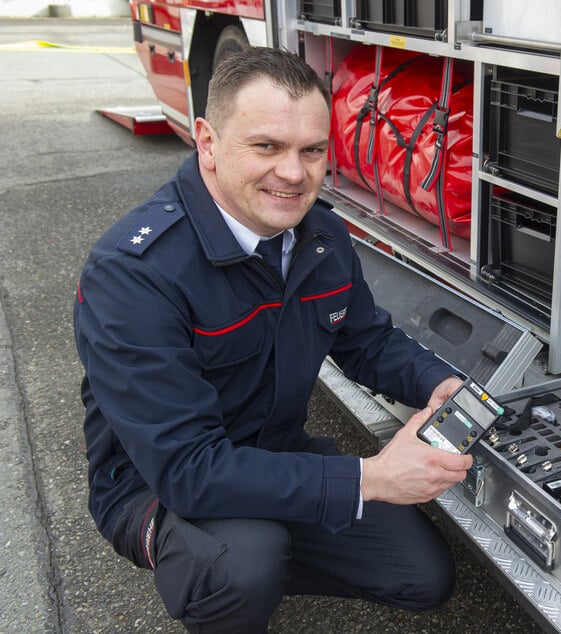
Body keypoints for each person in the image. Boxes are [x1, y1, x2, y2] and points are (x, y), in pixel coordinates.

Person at [73, 46, 472, 632]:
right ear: (207, 141)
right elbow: (188, 468)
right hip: (156, 485)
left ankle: (263, 536)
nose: (294, 172)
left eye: (312, 151)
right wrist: (370, 479)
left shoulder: (319, 233)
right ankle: (210, 569)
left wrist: (438, 381)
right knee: (242, 564)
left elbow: (366, 341)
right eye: (267, 146)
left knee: (421, 575)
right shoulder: (134, 273)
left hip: (272, 451)